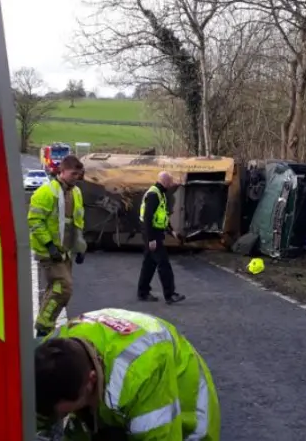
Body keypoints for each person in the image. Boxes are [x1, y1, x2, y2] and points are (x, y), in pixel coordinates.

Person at [35, 308, 221, 440]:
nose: (59, 419)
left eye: (67, 412)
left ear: (91, 380)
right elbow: (39, 419)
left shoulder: (142, 375)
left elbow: (158, 437)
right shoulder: (52, 350)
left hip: (184, 405)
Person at [28, 154, 87, 338]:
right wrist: (49, 246)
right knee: (64, 287)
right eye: (73, 173)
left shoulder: (76, 192)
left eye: (79, 174)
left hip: (65, 251)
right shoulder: (47, 192)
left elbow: (77, 221)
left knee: (55, 288)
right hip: (49, 251)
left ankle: (44, 328)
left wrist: (79, 247)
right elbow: (35, 221)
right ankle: (44, 326)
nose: (76, 177)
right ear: (61, 171)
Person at [137, 171, 186, 304]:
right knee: (164, 265)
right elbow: (148, 218)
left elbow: (161, 216)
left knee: (149, 264)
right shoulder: (154, 195)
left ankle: (143, 292)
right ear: (164, 181)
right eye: (170, 182)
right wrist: (151, 239)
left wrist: (172, 231)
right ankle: (170, 295)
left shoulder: (161, 194)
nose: (171, 184)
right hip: (152, 234)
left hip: (154, 233)